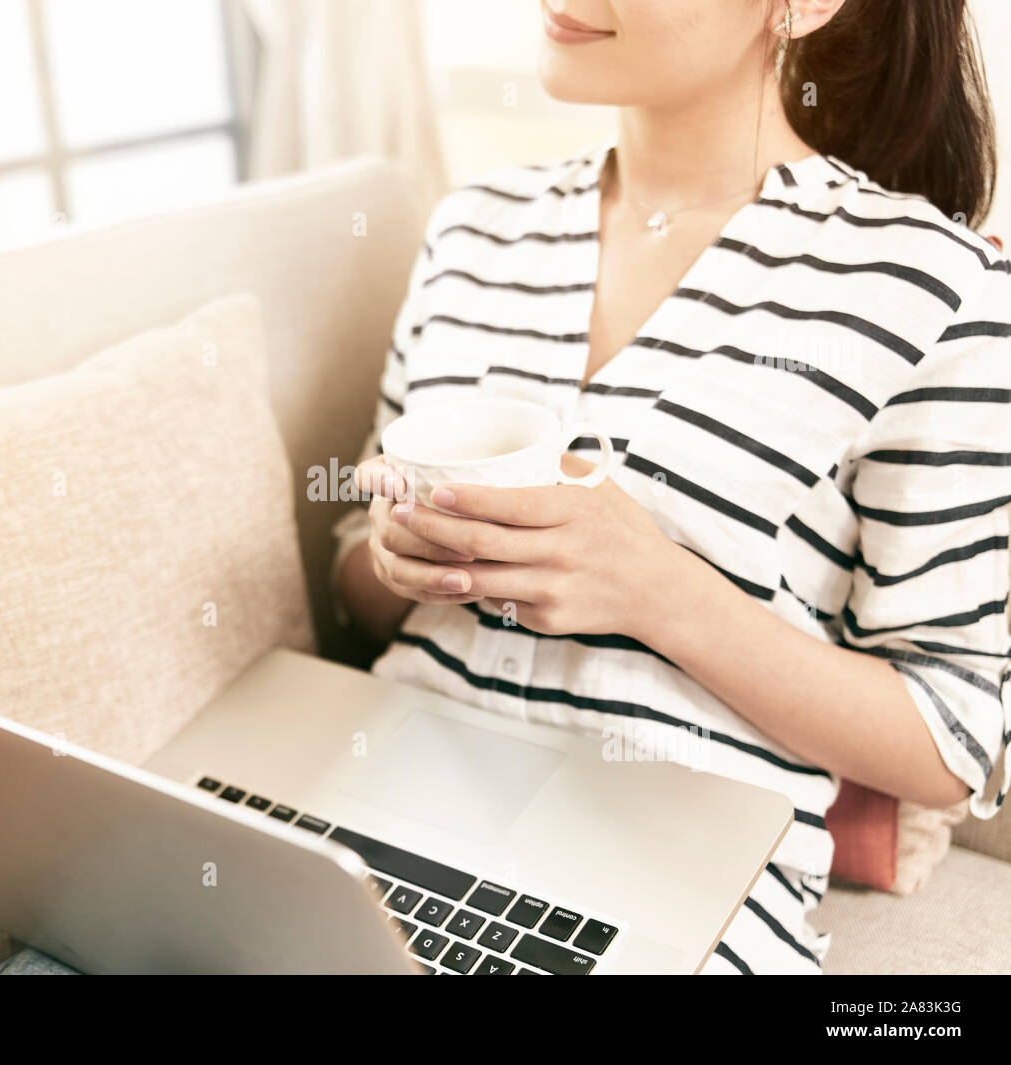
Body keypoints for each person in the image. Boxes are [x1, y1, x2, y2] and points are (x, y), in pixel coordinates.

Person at [334, 0, 1010, 973]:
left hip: (662, 893)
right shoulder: (472, 232)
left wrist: (657, 592)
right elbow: (354, 567)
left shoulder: (938, 289)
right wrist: (393, 557)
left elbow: (952, 742)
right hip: (376, 810)